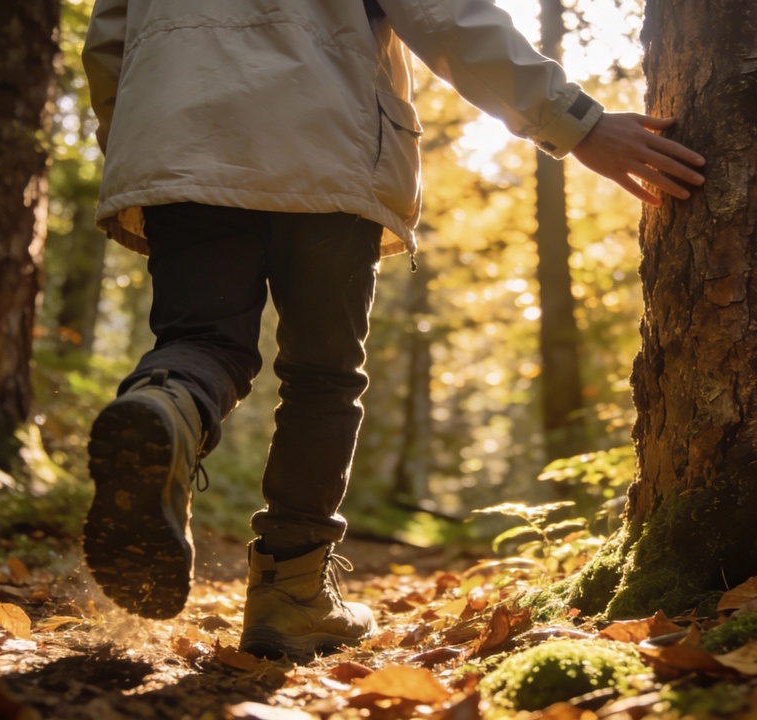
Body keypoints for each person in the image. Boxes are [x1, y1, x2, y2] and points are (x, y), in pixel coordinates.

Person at [80, 0, 705, 661]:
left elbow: (110, 42)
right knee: (321, 379)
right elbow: (445, 14)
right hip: (328, 140)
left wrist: (142, 150)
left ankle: (160, 408)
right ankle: (290, 596)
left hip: (177, 134)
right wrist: (578, 124)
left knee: (198, 346)